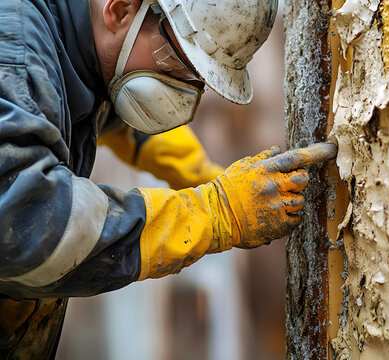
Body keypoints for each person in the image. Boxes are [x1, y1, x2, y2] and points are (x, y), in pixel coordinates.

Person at [0, 0, 336, 358]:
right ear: (121, 10)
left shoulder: (71, 42)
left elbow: (78, 96)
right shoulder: (14, 54)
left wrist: (191, 166)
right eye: (175, 63)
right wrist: (213, 213)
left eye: (198, 82)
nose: (184, 102)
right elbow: (24, 225)